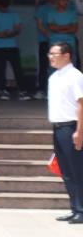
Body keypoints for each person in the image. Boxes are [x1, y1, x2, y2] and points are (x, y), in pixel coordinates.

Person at [47, 41, 83, 224]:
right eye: (50, 54)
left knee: (77, 170)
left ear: (66, 55)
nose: (51, 57)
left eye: (54, 54)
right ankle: (74, 208)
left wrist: (79, 131)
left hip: (72, 127)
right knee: (66, 171)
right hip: (58, 128)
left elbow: (81, 104)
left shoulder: (75, 76)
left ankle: (81, 210)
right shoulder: (54, 77)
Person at [0, 0, 29, 100]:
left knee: (17, 69)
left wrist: (9, 33)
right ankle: (3, 90)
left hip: (12, 45)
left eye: (6, 6)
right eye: (2, 6)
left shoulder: (14, 14)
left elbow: (18, 29)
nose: (4, 8)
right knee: (0, 69)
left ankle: (22, 90)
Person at [35, 0, 60, 99]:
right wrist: (47, 35)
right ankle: (41, 90)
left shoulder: (61, 8)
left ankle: (56, 91)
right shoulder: (42, 8)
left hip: (59, 41)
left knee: (57, 66)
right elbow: (39, 24)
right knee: (44, 65)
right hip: (44, 40)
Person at [46, 0, 79, 67]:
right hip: (55, 41)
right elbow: (51, 27)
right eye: (63, 0)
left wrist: (58, 28)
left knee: (71, 64)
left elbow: (74, 29)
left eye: (67, 0)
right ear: (57, 0)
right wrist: (67, 26)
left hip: (70, 41)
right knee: (55, 65)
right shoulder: (51, 13)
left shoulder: (72, 13)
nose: (65, 2)